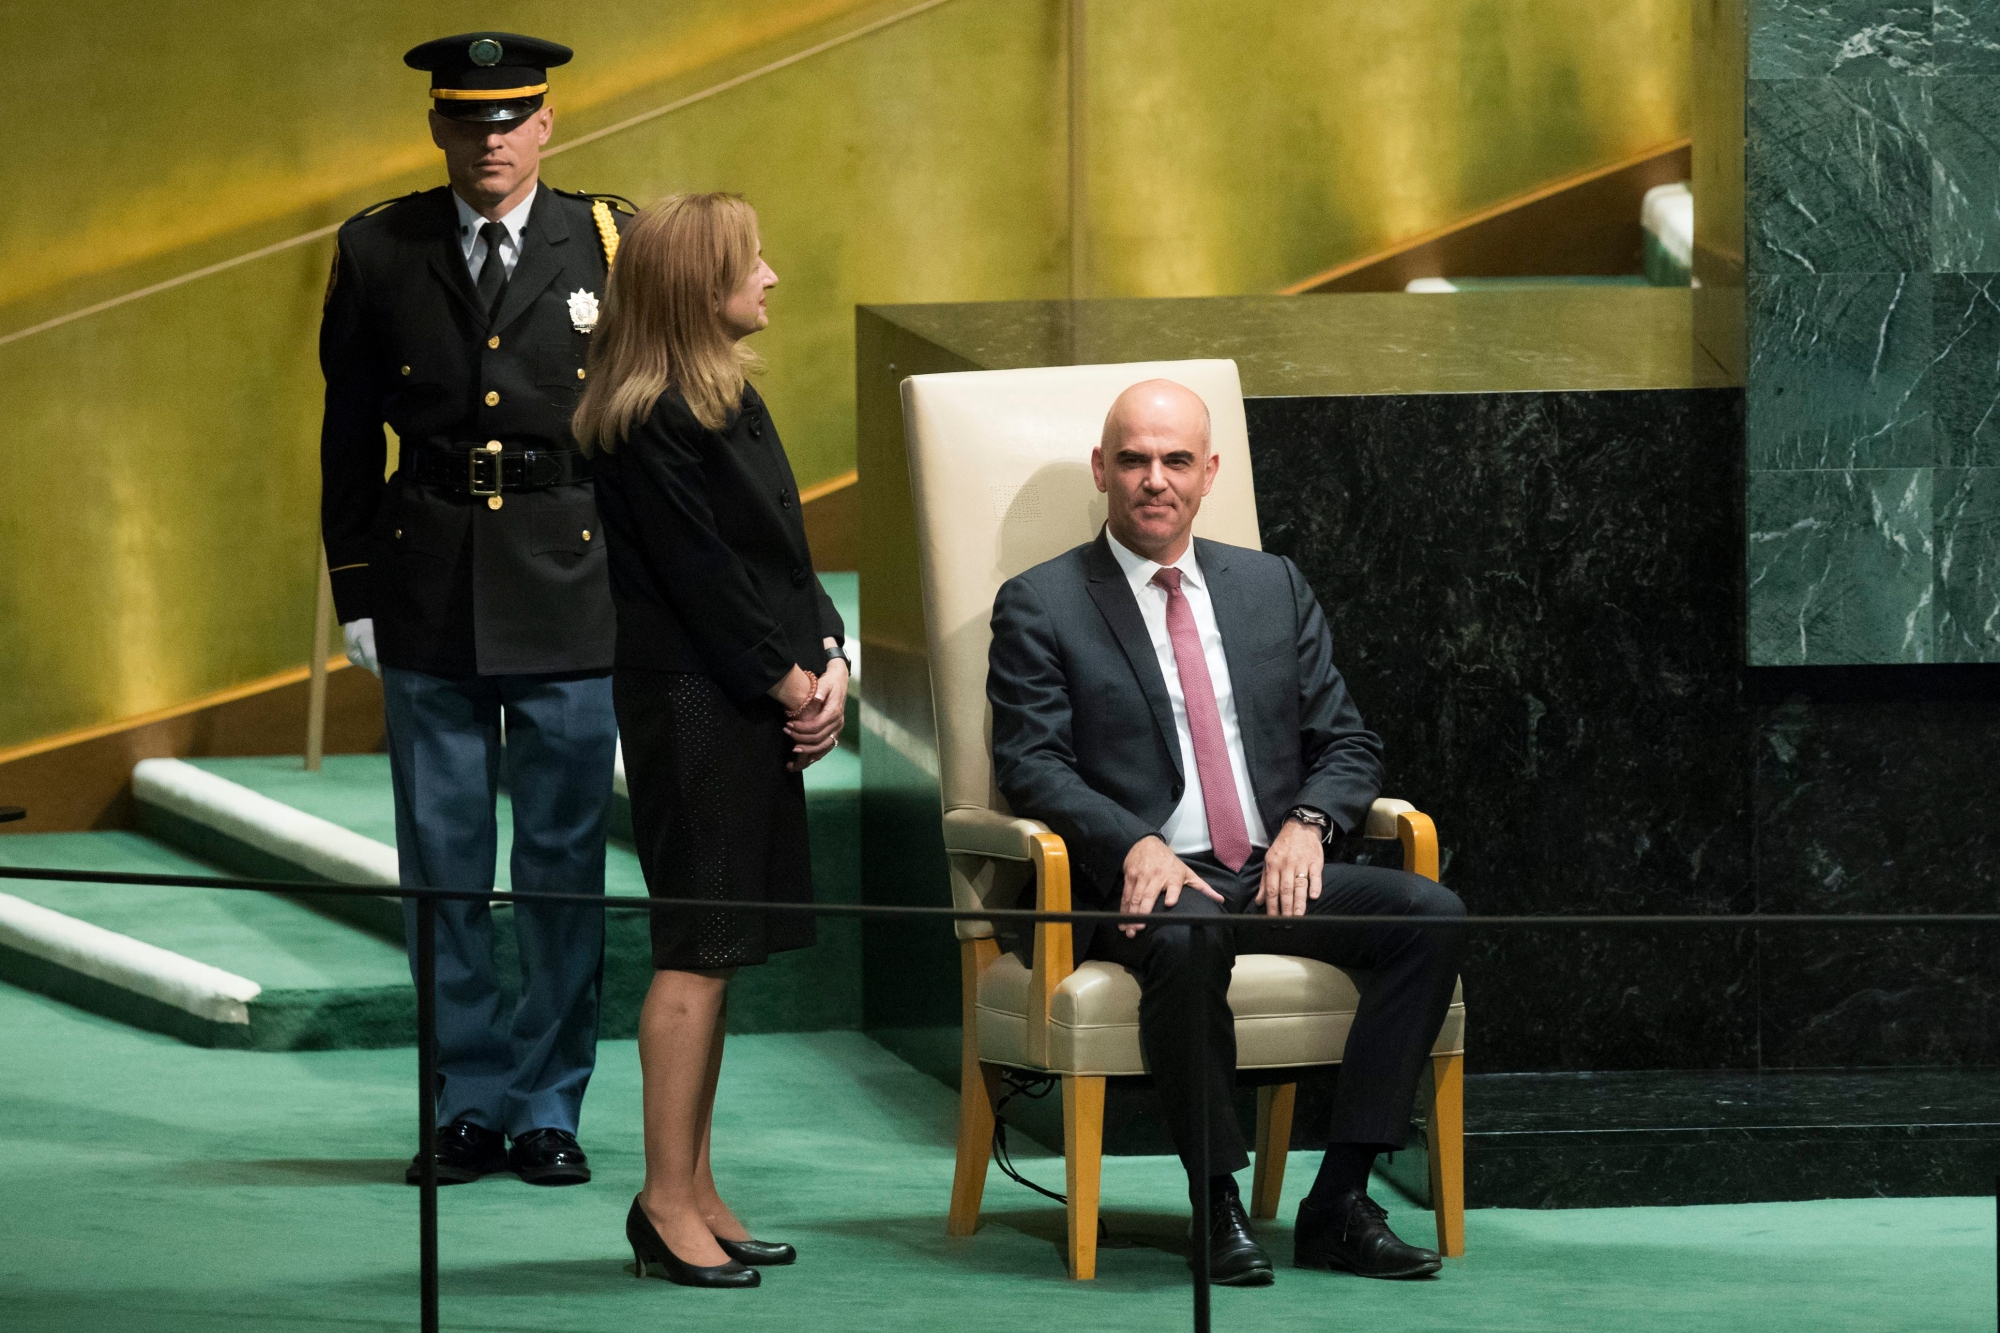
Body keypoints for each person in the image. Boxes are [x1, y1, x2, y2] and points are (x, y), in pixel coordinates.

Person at [986, 380, 1465, 1286]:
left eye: (1174, 461)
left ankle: (1342, 1199)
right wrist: (1133, 841)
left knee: (1430, 914)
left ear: (1209, 473)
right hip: (1144, 884)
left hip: (1276, 867)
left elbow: (1349, 738)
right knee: (1190, 933)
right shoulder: (1042, 603)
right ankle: (1215, 1203)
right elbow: (1032, 762)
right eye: (1132, 460)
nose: (1153, 480)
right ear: (1102, 469)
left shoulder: (1271, 585)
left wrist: (1311, 826)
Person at [319, 31, 631, 1188]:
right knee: (443, 867)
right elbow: (348, 435)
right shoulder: (378, 247)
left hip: (570, 586)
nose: (490, 139)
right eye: (467, 118)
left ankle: (548, 1104)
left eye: (511, 119)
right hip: (427, 585)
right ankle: (466, 1100)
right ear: (438, 127)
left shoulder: (611, 241)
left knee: (560, 864)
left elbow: (644, 436)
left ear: (546, 124)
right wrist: (355, 586)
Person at [576, 192, 849, 1290]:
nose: (772, 275)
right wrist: (789, 681)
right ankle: (660, 1200)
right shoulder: (650, 420)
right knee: (694, 949)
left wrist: (829, 654)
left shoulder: (724, 394)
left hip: (749, 695)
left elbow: (781, 554)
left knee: (722, 949)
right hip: (696, 703)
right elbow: (703, 580)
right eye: (751, 261)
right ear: (700, 286)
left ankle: (695, 1186)